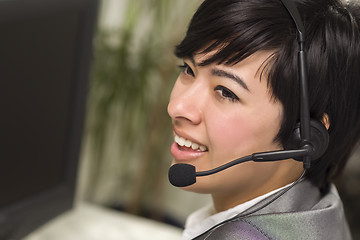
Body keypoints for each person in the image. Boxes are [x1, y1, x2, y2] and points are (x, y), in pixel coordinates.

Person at [167, 0, 360, 239]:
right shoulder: (321, 212)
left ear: (306, 134)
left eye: (226, 92)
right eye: (188, 70)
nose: (177, 107)